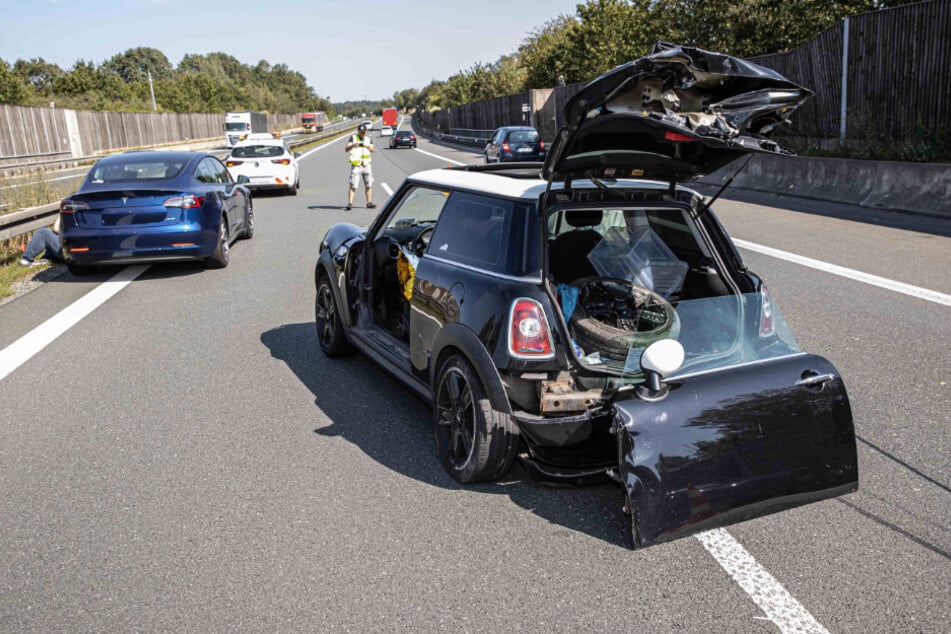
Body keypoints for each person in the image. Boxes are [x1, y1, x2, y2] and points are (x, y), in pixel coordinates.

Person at [345, 123, 376, 210]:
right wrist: (352, 145)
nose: (362, 133)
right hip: (356, 165)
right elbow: (346, 149)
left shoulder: (368, 139)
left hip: (366, 165)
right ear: (358, 131)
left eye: (363, 132)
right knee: (353, 185)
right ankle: (350, 203)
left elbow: (373, 150)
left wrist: (367, 146)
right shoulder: (353, 138)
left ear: (366, 131)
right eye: (360, 132)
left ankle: (369, 203)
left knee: (369, 184)